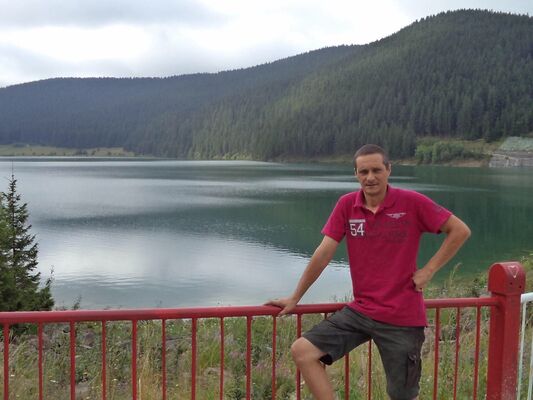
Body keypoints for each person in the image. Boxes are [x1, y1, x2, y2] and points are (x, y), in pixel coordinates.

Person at [266, 144, 471, 400]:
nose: (370, 177)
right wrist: (296, 297)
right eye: (363, 172)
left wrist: (429, 269)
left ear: (388, 170)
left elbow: (460, 230)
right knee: (303, 351)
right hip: (361, 311)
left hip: (402, 317)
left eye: (376, 170)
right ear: (356, 174)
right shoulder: (347, 205)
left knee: (403, 396)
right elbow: (324, 252)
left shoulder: (412, 202)